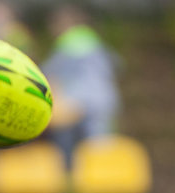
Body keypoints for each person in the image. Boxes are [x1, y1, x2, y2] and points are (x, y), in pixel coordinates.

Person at [40, 5, 120, 167]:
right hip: (105, 98)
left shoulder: (68, 41)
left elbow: (51, 74)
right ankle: (104, 182)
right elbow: (116, 64)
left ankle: (68, 173)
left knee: (63, 135)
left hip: (77, 99)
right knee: (99, 144)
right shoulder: (94, 40)